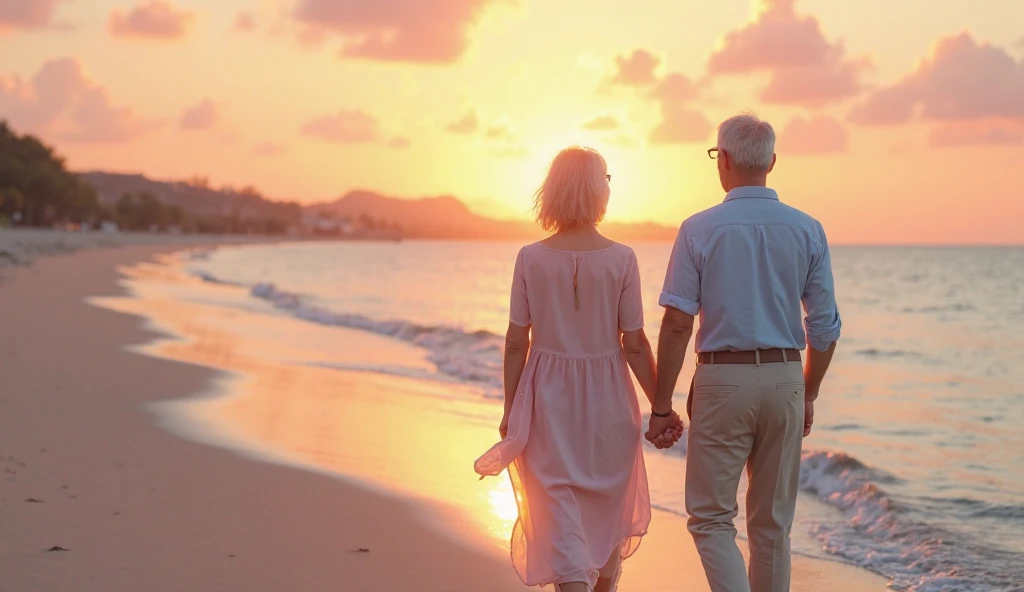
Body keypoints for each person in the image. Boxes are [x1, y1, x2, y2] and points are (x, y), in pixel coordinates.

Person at [646, 113, 842, 592]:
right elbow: (825, 326)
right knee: (772, 528)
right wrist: (808, 390)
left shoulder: (698, 229)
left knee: (712, 519)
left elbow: (676, 324)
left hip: (722, 379)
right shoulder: (808, 229)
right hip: (785, 378)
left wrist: (660, 406)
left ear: (724, 160)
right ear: (772, 162)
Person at [475, 146, 683, 592]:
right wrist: (659, 406)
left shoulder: (530, 257)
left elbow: (516, 342)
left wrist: (512, 409)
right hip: (609, 400)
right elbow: (635, 344)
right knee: (606, 506)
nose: (610, 185)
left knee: (558, 509)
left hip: (547, 400)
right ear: (596, 189)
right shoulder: (622, 258)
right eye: (606, 178)